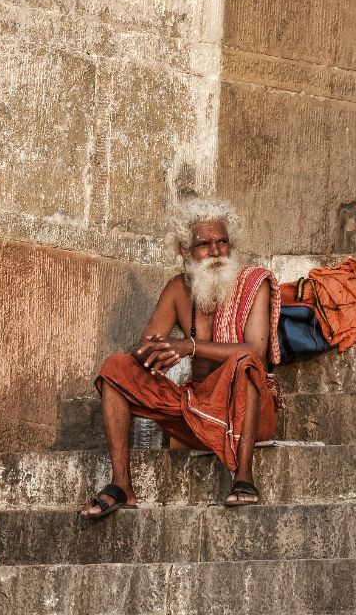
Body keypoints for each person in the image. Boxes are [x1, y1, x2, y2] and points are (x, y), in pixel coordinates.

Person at [80, 197, 282, 519]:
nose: (216, 252)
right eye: (204, 245)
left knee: (245, 365)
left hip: (248, 414)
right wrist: (153, 351)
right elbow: (143, 347)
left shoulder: (254, 283)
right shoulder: (178, 289)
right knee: (115, 368)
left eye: (222, 242)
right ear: (185, 251)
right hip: (195, 409)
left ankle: (243, 477)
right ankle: (121, 485)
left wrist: (189, 346)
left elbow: (255, 350)